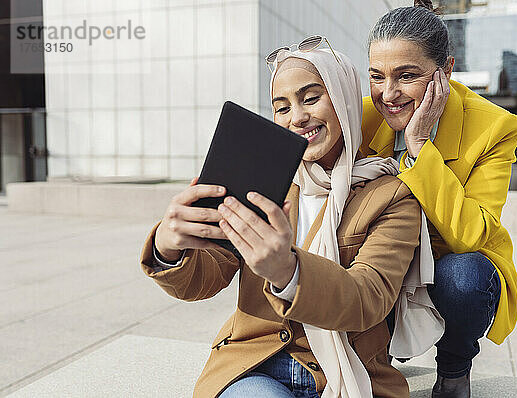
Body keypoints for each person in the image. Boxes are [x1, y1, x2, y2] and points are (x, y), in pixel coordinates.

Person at [141, 44, 423, 398]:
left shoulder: (391, 196)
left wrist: (288, 272)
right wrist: (169, 248)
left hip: (349, 373)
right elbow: (204, 279)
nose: (297, 117)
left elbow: (369, 299)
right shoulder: (265, 182)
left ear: (345, 99)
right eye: (282, 107)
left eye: (311, 98)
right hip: (256, 365)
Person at [361, 2, 517, 397]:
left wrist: (418, 147)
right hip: (384, 256)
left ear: (445, 71)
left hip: (448, 261)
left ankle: (453, 368)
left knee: (465, 278)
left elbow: (470, 235)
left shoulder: (494, 126)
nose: (389, 93)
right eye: (376, 76)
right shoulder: (363, 114)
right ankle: (376, 352)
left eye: (407, 76)